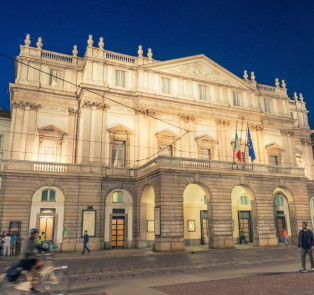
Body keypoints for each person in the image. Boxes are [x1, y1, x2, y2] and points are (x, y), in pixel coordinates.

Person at [19, 228, 44, 294]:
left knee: (40, 264)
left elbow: (37, 247)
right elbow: (25, 251)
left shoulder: (33, 241)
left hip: (31, 258)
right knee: (33, 272)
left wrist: (47, 249)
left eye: (36, 234)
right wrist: (35, 253)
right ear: (32, 234)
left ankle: (33, 276)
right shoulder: (28, 241)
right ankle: (32, 289)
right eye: (36, 234)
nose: (36, 235)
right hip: (25, 259)